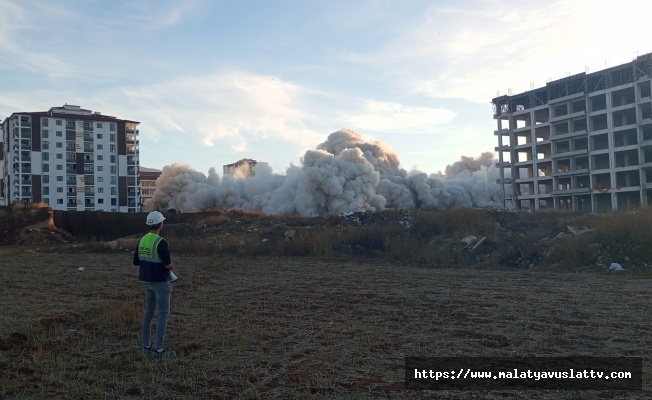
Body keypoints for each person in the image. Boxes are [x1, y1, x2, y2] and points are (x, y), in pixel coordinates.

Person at [133, 210, 176, 359]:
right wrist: (171, 266)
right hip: (161, 283)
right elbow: (167, 265)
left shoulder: (142, 240)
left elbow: (136, 261)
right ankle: (159, 350)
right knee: (163, 314)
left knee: (149, 313)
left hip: (147, 281)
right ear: (160, 224)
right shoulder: (161, 242)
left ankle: (146, 346)